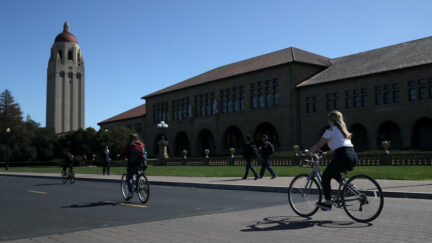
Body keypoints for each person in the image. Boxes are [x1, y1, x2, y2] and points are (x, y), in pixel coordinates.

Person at [308, 110, 358, 211]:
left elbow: (319, 145)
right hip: (353, 156)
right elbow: (340, 146)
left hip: (342, 157)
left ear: (331, 121)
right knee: (334, 173)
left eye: (329, 120)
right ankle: (349, 189)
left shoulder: (330, 131)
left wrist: (309, 152)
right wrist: (326, 153)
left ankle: (328, 202)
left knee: (325, 176)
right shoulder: (344, 132)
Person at [119, 134, 147, 200]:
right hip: (142, 163)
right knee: (138, 171)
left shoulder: (130, 146)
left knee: (129, 177)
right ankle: (141, 183)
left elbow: (123, 153)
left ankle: (130, 193)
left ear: (131, 139)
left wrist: (119, 158)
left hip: (132, 164)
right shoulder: (142, 145)